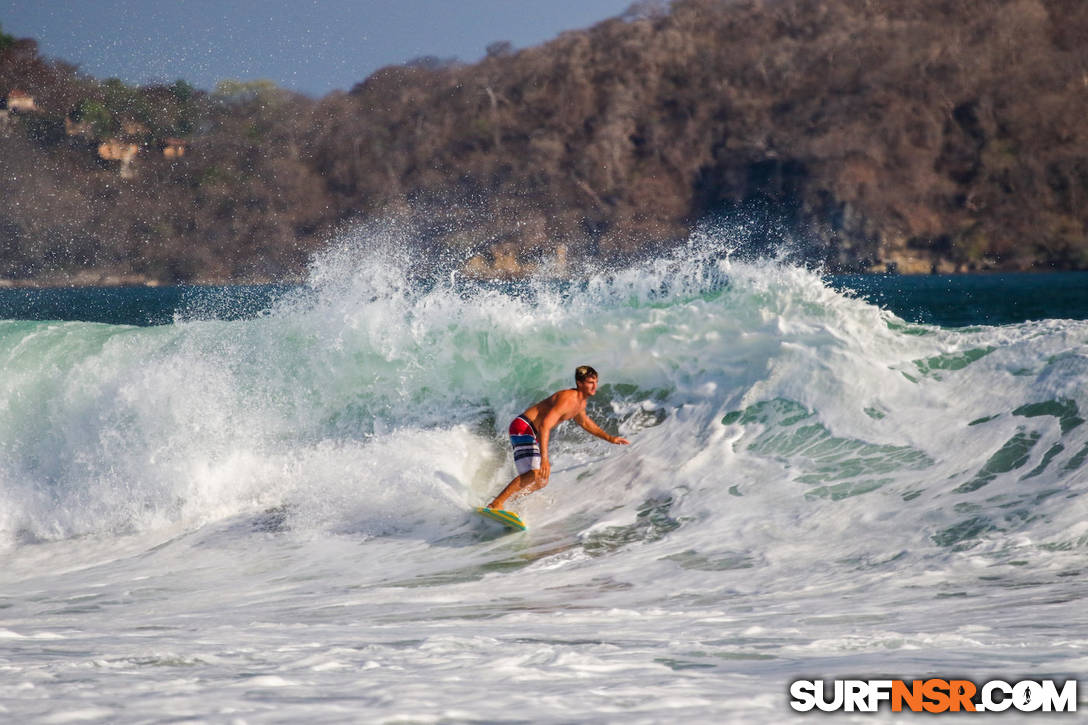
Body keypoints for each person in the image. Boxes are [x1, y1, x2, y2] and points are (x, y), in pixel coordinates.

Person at [487, 365, 629, 510]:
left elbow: (585, 423)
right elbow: (544, 426)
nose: (595, 386)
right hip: (524, 427)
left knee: (541, 481)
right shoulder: (568, 398)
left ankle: (505, 502)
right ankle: (496, 503)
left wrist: (610, 439)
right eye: (590, 382)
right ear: (580, 383)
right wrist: (545, 459)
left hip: (530, 432)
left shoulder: (580, 403)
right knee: (536, 474)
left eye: (596, 382)